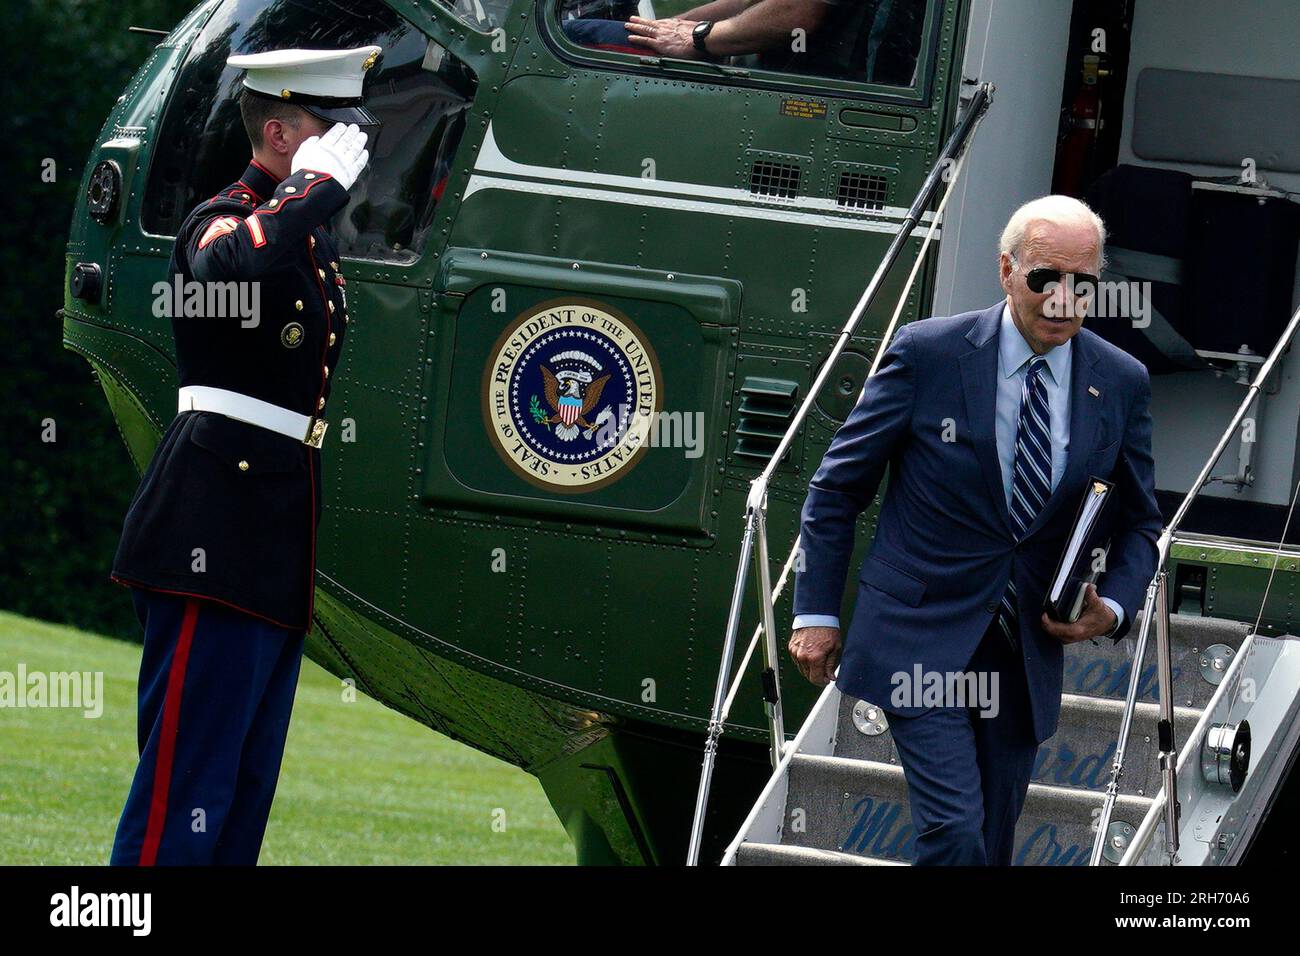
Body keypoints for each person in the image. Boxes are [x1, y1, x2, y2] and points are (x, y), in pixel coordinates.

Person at [790, 195, 1162, 865]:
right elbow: (837, 486)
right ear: (1006, 270)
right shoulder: (929, 353)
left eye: (1084, 284)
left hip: (1021, 655)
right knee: (954, 828)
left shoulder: (1121, 379)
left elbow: (1140, 522)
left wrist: (1114, 608)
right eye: (1046, 277)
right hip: (917, 634)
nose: (1064, 299)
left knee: (991, 841)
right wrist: (815, 611)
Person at [108, 46, 379, 865]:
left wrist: (308, 202)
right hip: (210, 528)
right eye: (329, 134)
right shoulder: (223, 218)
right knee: (185, 786)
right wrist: (309, 190)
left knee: (243, 788)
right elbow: (223, 266)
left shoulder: (308, 243)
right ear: (278, 130)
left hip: (272, 531)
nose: (347, 153)